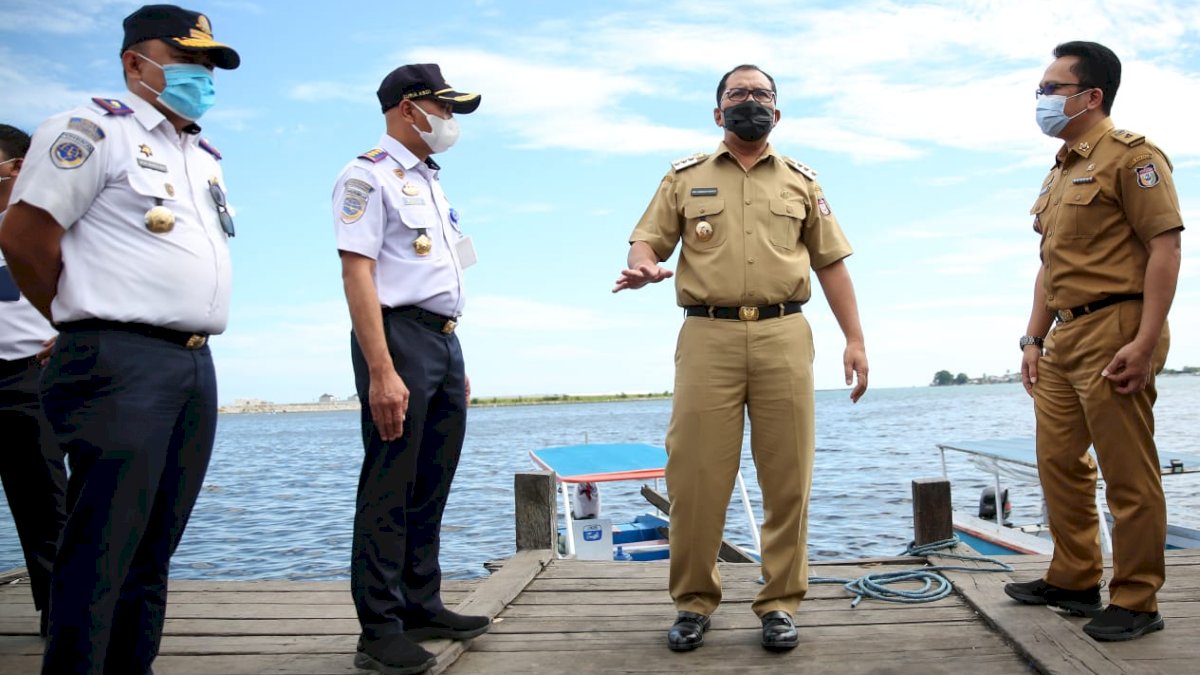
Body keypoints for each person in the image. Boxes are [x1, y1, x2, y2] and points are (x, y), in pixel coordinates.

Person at [0, 5, 241, 671]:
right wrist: (76, 314)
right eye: (188, 59)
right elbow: (24, 235)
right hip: (119, 360)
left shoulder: (200, 156)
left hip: (192, 363)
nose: (202, 75)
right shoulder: (89, 130)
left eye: (210, 64)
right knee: (101, 550)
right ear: (136, 62)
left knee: (151, 550)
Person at [613, 64, 869, 653]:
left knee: (788, 478)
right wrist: (646, 263)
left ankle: (779, 603)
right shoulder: (684, 177)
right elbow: (647, 237)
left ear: (776, 113)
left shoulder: (803, 182)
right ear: (717, 111)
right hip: (708, 336)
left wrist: (854, 340)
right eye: (737, 94)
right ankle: (694, 603)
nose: (748, 102)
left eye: (760, 95)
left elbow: (831, 263)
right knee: (697, 477)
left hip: (784, 334)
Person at [1005, 41, 1183, 642]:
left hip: (1116, 328)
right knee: (1059, 465)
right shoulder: (1060, 170)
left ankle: (1137, 599)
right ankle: (1075, 578)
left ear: (1090, 96)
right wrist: (1033, 337)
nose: (1043, 97)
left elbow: (1166, 246)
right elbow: (1047, 266)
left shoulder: (1132, 157)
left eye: (1053, 87)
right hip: (1063, 337)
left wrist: (1147, 337)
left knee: (1127, 472)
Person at [332, 63, 490, 675]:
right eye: (443, 109)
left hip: (442, 342)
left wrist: (454, 358)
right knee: (389, 484)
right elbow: (358, 273)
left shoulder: (430, 182)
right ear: (408, 107)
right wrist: (381, 368)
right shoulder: (367, 176)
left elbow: (441, 276)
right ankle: (379, 628)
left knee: (433, 479)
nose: (449, 121)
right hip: (397, 339)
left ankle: (421, 603)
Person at [0, 123, 68, 640]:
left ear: (17, 166)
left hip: (26, 377)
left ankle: (62, 619)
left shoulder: (47, 224)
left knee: (44, 505)